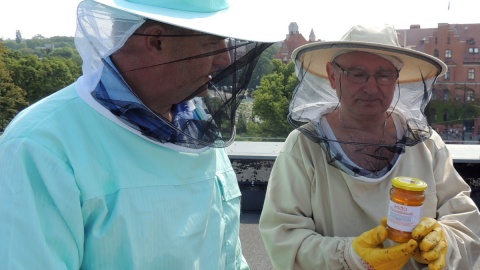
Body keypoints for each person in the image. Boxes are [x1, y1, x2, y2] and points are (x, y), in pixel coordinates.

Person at [0, 0, 287, 269]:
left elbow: (228, 255)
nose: (224, 59)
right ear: (156, 41)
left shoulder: (198, 124)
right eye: (212, 43)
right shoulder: (40, 146)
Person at [259, 25, 480, 270]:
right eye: (357, 73)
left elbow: (464, 220)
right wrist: (350, 256)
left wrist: (445, 242)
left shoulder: (426, 144)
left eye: (384, 75)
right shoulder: (303, 147)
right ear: (333, 76)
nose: (371, 88)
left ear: (396, 79)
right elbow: (283, 238)